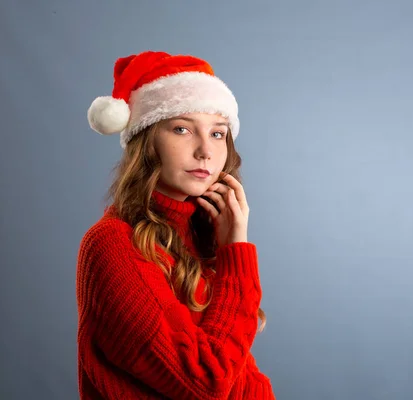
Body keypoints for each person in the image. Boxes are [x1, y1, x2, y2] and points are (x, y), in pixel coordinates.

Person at [76, 50, 275, 399]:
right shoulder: (113, 244)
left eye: (217, 133)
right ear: (147, 140)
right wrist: (237, 257)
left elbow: (243, 379)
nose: (205, 151)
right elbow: (207, 383)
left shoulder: (203, 235)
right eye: (182, 129)